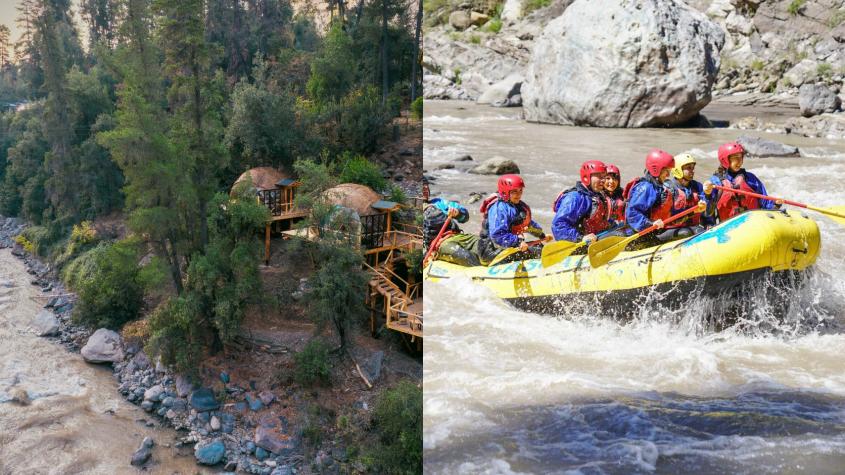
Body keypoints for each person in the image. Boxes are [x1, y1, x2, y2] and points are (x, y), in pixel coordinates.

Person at [478, 174, 551, 265]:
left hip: (507, 247)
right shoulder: (499, 208)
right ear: (505, 192)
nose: (519, 194)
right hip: (491, 251)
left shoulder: (518, 206)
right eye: (514, 192)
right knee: (537, 251)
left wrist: (541, 235)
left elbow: (527, 225)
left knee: (539, 246)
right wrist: (518, 242)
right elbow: (497, 235)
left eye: (520, 191)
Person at [707, 142, 782, 222]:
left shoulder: (750, 178)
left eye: (741, 157)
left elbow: (764, 201)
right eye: (735, 158)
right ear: (725, 160)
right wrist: (707, 194)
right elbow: (708, 212)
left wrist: (775, 205)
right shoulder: (715, 182)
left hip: (752, 222)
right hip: (728, 226)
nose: (740, 161)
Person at [551, 160, 613, 244]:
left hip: (596, 240)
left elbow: (602, 222)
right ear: (586, 177)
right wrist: (580, 238)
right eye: (599, 176)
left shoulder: (599, 197)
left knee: (623, 231)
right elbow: (558, 225)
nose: (603, 180)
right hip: (579, 244)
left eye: (604, 176)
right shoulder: (575, 197)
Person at [422, 178, 480, 266]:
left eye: (426, 187)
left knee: (482, 243)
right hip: (439, 245)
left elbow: (465, 217)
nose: (425, 190)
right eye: (422, 188)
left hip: (456, 236)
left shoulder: (440, 203)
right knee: (466, 256)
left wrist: (458, 213)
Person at [661, 153, 714, 238]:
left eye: (693, 168)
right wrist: (693, 212)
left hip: (691, 227)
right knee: (685, 233)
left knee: (700, 231)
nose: (692, 171)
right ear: (678, 170)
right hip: (669, 230)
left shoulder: (697, 186)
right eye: (688, 168)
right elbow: (670, 219)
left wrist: (708, 195)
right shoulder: (668, 188)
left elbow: (708, 212)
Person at [624, 149, 676, 235]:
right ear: (656, 170)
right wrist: (651, 224)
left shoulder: (657, 188)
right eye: (666, 171)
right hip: (636, 234)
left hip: (650, 231)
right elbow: (632, 213)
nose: (668, 175)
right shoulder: (646, 187)